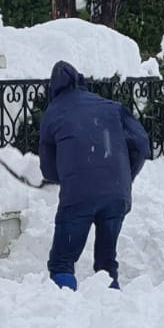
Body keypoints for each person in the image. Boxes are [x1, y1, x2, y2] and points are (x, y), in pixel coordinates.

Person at [39, 61, 150, 290]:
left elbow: (48, 168)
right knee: (107, 262)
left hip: (78, 195)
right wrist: (126, 175)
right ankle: (113, 307)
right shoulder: (111, 107)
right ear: (81, 81)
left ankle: (63, 309)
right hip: (117, 194)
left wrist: (66, 176)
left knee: (62, 261)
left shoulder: (54, 112)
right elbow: (141, 143)